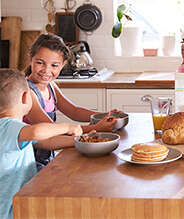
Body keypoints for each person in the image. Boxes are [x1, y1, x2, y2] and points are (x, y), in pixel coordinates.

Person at [23, 33, 118, 167]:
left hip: (48, 156)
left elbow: (73, 111)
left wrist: (104, 116)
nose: (46, 70)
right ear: (30, 59)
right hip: (29, 162)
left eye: (54, 65)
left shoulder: (51, 85)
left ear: (63, 65)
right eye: (40, 63)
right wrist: (95, 128)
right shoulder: (27, 92)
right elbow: (51, 129)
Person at [0, 68, 82, 219]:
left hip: (19, 201)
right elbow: (35, 132)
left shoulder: (14, 131)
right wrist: (68, 127)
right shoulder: (7, 125)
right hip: (9, 209)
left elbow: (47, 142)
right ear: (26, 97)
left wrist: (78, 142)